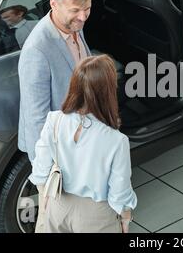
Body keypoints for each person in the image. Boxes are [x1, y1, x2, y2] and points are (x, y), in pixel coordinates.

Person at [18, 0, 95, 232]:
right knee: (54, 222)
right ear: (54, 4)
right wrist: (50, 168)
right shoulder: (37, 50)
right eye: (76, 10)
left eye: (87, 8)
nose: (83, 17)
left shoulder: (72, 26)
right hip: (57, 155)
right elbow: (36, 117)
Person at [29, 55, 137, 233]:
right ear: (108, 91)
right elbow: (120, 191)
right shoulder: (116, 140)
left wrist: (46, 200)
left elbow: (41, 169)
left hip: (58, 205)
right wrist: (125, 218)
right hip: (96, 216)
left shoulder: (54, 120)